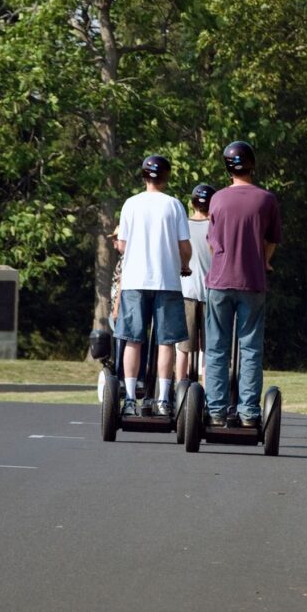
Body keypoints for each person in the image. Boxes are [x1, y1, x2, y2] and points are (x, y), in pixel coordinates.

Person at [204, 141, 281, 427]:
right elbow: (272, 240)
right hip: (252, 282)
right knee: (250, 348)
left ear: (227, 168)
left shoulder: (218, 200)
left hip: (220, 281)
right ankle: (249, 412)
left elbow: (212, 244)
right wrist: (264, 260)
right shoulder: (266, 200)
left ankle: (216, 409)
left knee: (216, 348)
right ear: (252, 164)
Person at [114, 155, 192, 417]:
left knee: (133, 340)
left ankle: (129, 398)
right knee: (165, 342)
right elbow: (184, 246)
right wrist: (185, 264)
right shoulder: (174, 205)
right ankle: (163, 398)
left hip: (135, 280)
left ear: (144, 176)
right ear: (166, 177)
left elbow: (122, 244)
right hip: (167, 281)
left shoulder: (130, 204)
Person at [176, 183, 216, 383]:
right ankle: (209, 394)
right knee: (209, 350)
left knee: (183, 348)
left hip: (187, 292)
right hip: (211, 293)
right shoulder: (216, 227)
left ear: (192, 203)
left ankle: (178, 389)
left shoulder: (183, 226)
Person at [109, 225, 146, 388]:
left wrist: (117, 308)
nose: (114, 242)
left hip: (124, 309)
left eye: (116, 238)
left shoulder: (128, 259)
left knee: (124, 343)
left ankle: (123, 378)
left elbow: (121, 285)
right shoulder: (126, 258)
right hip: (124, 307)